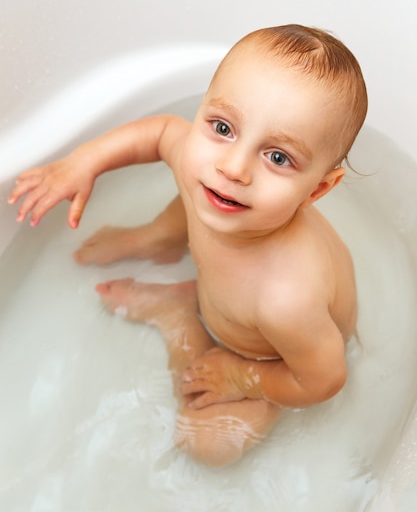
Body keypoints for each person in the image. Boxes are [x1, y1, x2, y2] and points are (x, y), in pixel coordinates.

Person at [8, 25, 368, 467]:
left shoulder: (285, 298)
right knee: (204, 194)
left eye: (277, 157)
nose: (233, 167)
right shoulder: (218, 174)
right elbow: (160, 133)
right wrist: (83, 162)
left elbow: (325, 379)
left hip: (272, 356)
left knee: (208, 445)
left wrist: (243, 376)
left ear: (317, 190)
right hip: (231, 294)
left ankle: (180, 318)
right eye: (222, 127)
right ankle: (160, 237)